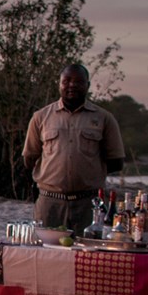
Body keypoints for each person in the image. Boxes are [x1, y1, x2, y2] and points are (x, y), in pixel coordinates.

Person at [23, 63, 126, 234]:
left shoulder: (104, 118)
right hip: (50, 203)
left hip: (89, 203)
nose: (72, 85)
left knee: (89, 255)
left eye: (78, 81)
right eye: (67, 81)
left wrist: (87, 174)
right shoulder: (41, 117)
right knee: (45, 255)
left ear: (87, 85)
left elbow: (116, 162)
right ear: (59, 84)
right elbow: (29, 159)